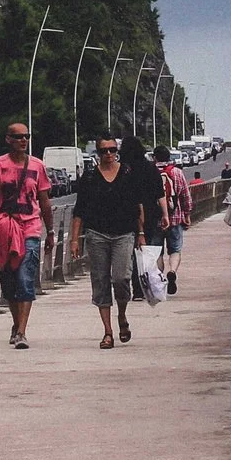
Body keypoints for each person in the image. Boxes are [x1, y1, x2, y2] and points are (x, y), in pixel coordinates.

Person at [69, 135, 147, 347]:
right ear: (98, 152)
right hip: (97, 234)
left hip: (124, 233)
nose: (109, 154)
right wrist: (74, 240)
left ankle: (122, 315)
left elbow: (137, 205)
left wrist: (141, 233)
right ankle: (108, 332)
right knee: (101, 281)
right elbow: (79, 210)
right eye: (104, 151)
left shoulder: (128, 173)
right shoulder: (90, 177)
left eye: (112, 150)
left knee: (121, 279)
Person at [0, 122, 52, 349]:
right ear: (8, 139)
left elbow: (45, 201)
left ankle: (22, 332)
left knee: (25, 278)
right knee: (9, 281)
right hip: (6, 230)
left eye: (26, 136)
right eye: (18, 136)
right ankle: (16, 323)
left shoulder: (38, 166)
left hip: (30, 228)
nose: (23, 140)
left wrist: (50, 231)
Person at [153, 145, 191, 295]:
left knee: (158, 252)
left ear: (154, 157)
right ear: (169, 157)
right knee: (175, 249)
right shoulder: (177, 172)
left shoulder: (151, 172)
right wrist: (186, 214)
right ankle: (173, 271)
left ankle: (161, 277)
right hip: (175, 218)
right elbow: (185, 196)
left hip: (155, 219)